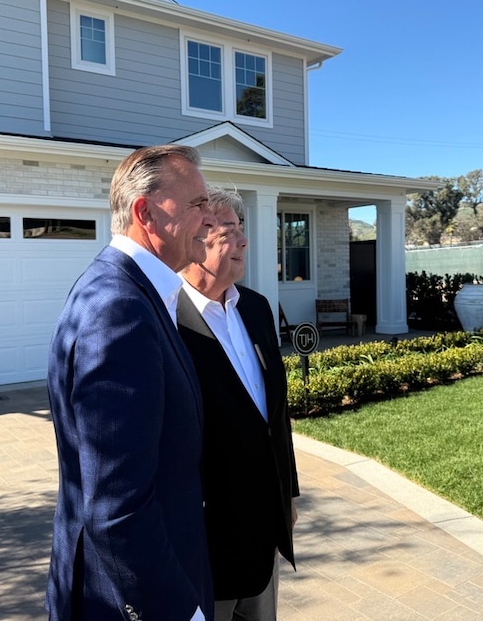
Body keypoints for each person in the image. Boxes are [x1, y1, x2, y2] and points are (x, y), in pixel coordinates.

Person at [45, 145, 217, 621]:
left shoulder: (126, 291)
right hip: (128, 603)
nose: (210, 217)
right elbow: (117, 509)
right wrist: (182, 612)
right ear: (147, 212)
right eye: (198, 204)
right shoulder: (119, 309)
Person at [177, 186, 298, 621]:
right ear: (196, 237)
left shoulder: (257, 308)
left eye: (241, 228)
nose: (244, 240)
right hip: (205, 543)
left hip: (263, 532)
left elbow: (275, 416)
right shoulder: (165, 319)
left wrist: (288, 493)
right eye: (229, 230)